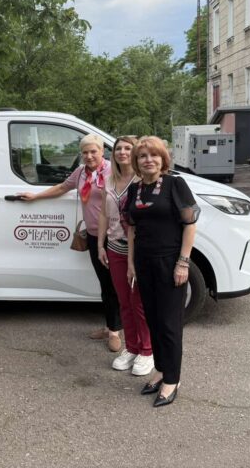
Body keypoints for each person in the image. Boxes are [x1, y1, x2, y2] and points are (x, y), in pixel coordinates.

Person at [18, 133, 122, 352]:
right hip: (94, 236)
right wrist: (36, 196)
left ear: (102, 151)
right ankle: (110, 326)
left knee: (114, 284)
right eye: (85, 152)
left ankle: (115, 331)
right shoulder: (81, 173)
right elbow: (62, 188)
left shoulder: (113, 170)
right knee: (105, 283)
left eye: (93, 151)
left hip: (114, 235)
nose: (89, 156)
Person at [125, 136, 198, 407]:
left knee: (169, 323)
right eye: (143, 156)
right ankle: (161, 369)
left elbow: (190, 225)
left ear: (163, 158)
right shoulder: (135, 190)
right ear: (136, 161)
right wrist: (131, 263)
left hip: (169, 263)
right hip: (144, 262)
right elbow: (132, 229)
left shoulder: (175, 185)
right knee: (153, 320)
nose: (149, 160)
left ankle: (173, 379)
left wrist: (183, 263)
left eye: (154, 155)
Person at [97, 136, 154, 376]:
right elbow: (103, 214)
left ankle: (147, 351)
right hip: (115, 249)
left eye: (127, 148)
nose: (122, 152)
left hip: (139, 251)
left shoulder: (143, 180)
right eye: (118, 148)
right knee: (124, 302)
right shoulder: (108, 180)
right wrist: (100, 244)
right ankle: (131, 348)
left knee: (139, 303)